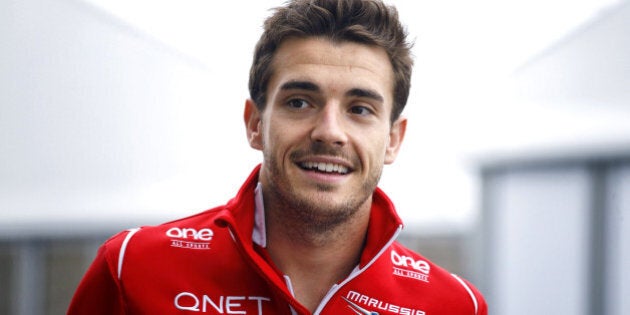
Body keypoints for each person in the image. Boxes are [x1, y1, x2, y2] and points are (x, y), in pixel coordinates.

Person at [68, 0, 487, 314]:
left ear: (393, 139)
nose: (329, 132)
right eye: (300, 102)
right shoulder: (132, 268)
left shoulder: (453, 305)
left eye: (360, 109)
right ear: (254, 123)